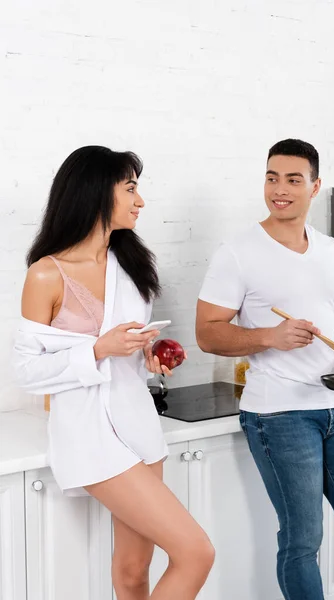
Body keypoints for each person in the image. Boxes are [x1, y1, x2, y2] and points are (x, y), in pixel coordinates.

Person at [13, 146, 214, 600]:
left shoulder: (132, 264)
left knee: (132, 570)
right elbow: (26, 372)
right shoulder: (47, 275)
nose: (140, 200)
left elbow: (127, 347)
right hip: (90, 435)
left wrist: (151, 356)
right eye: (130, 188)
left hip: (139, 425)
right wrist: (99, 349)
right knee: (196, 552)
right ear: (94, 193)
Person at [196, 139, 334, 600]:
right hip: (278, 415)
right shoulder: (238, 251)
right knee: (303, 542)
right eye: (271, 177)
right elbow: (207, 332)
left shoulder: (328, 248)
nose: (279, 189)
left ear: (315, 186)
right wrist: (268, 336)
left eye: (293, 179)